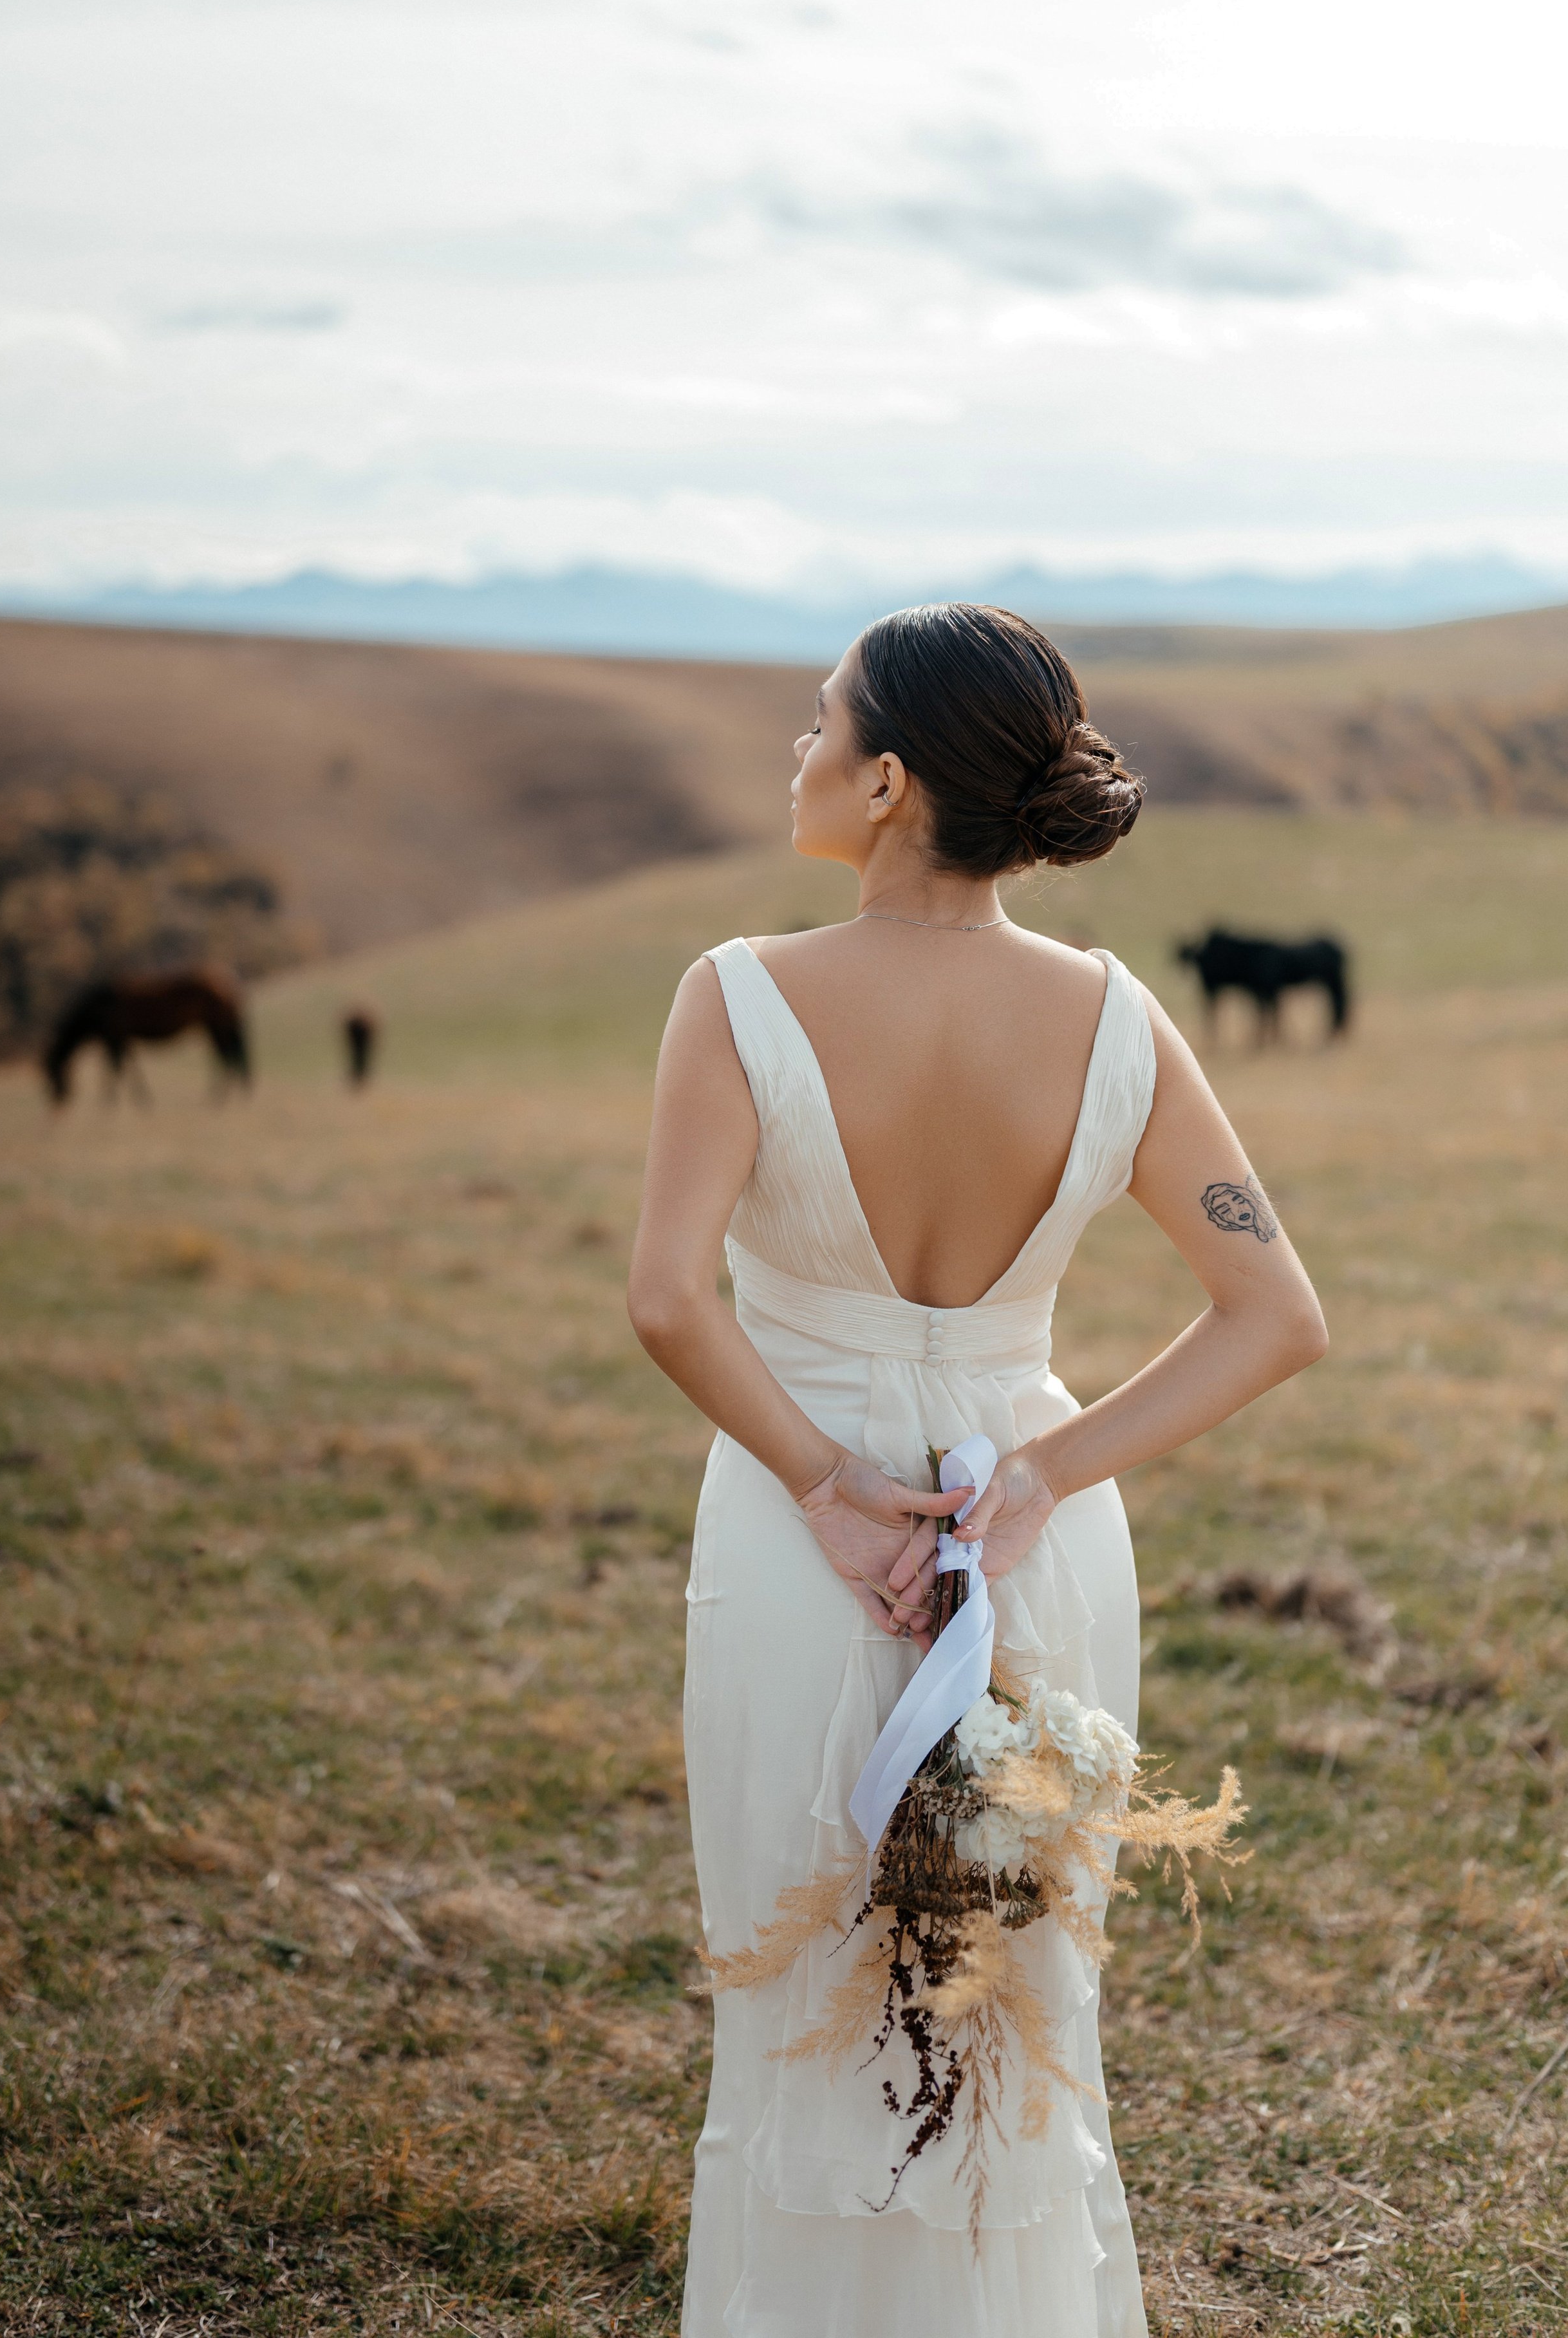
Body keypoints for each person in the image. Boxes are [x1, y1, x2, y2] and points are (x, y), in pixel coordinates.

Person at [628, 604, 1327, 2338]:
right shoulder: (1114, 1020)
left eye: (816, 726)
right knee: (1020, 2006)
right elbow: (1276, 1313)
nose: (797, 754)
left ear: (882, 783)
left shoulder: (736, 996)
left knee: (800, 1990)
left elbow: (665, 1299)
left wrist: (814, 1479)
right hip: (1032, 1544)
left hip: (808, 1543)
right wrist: (1037, 1474)